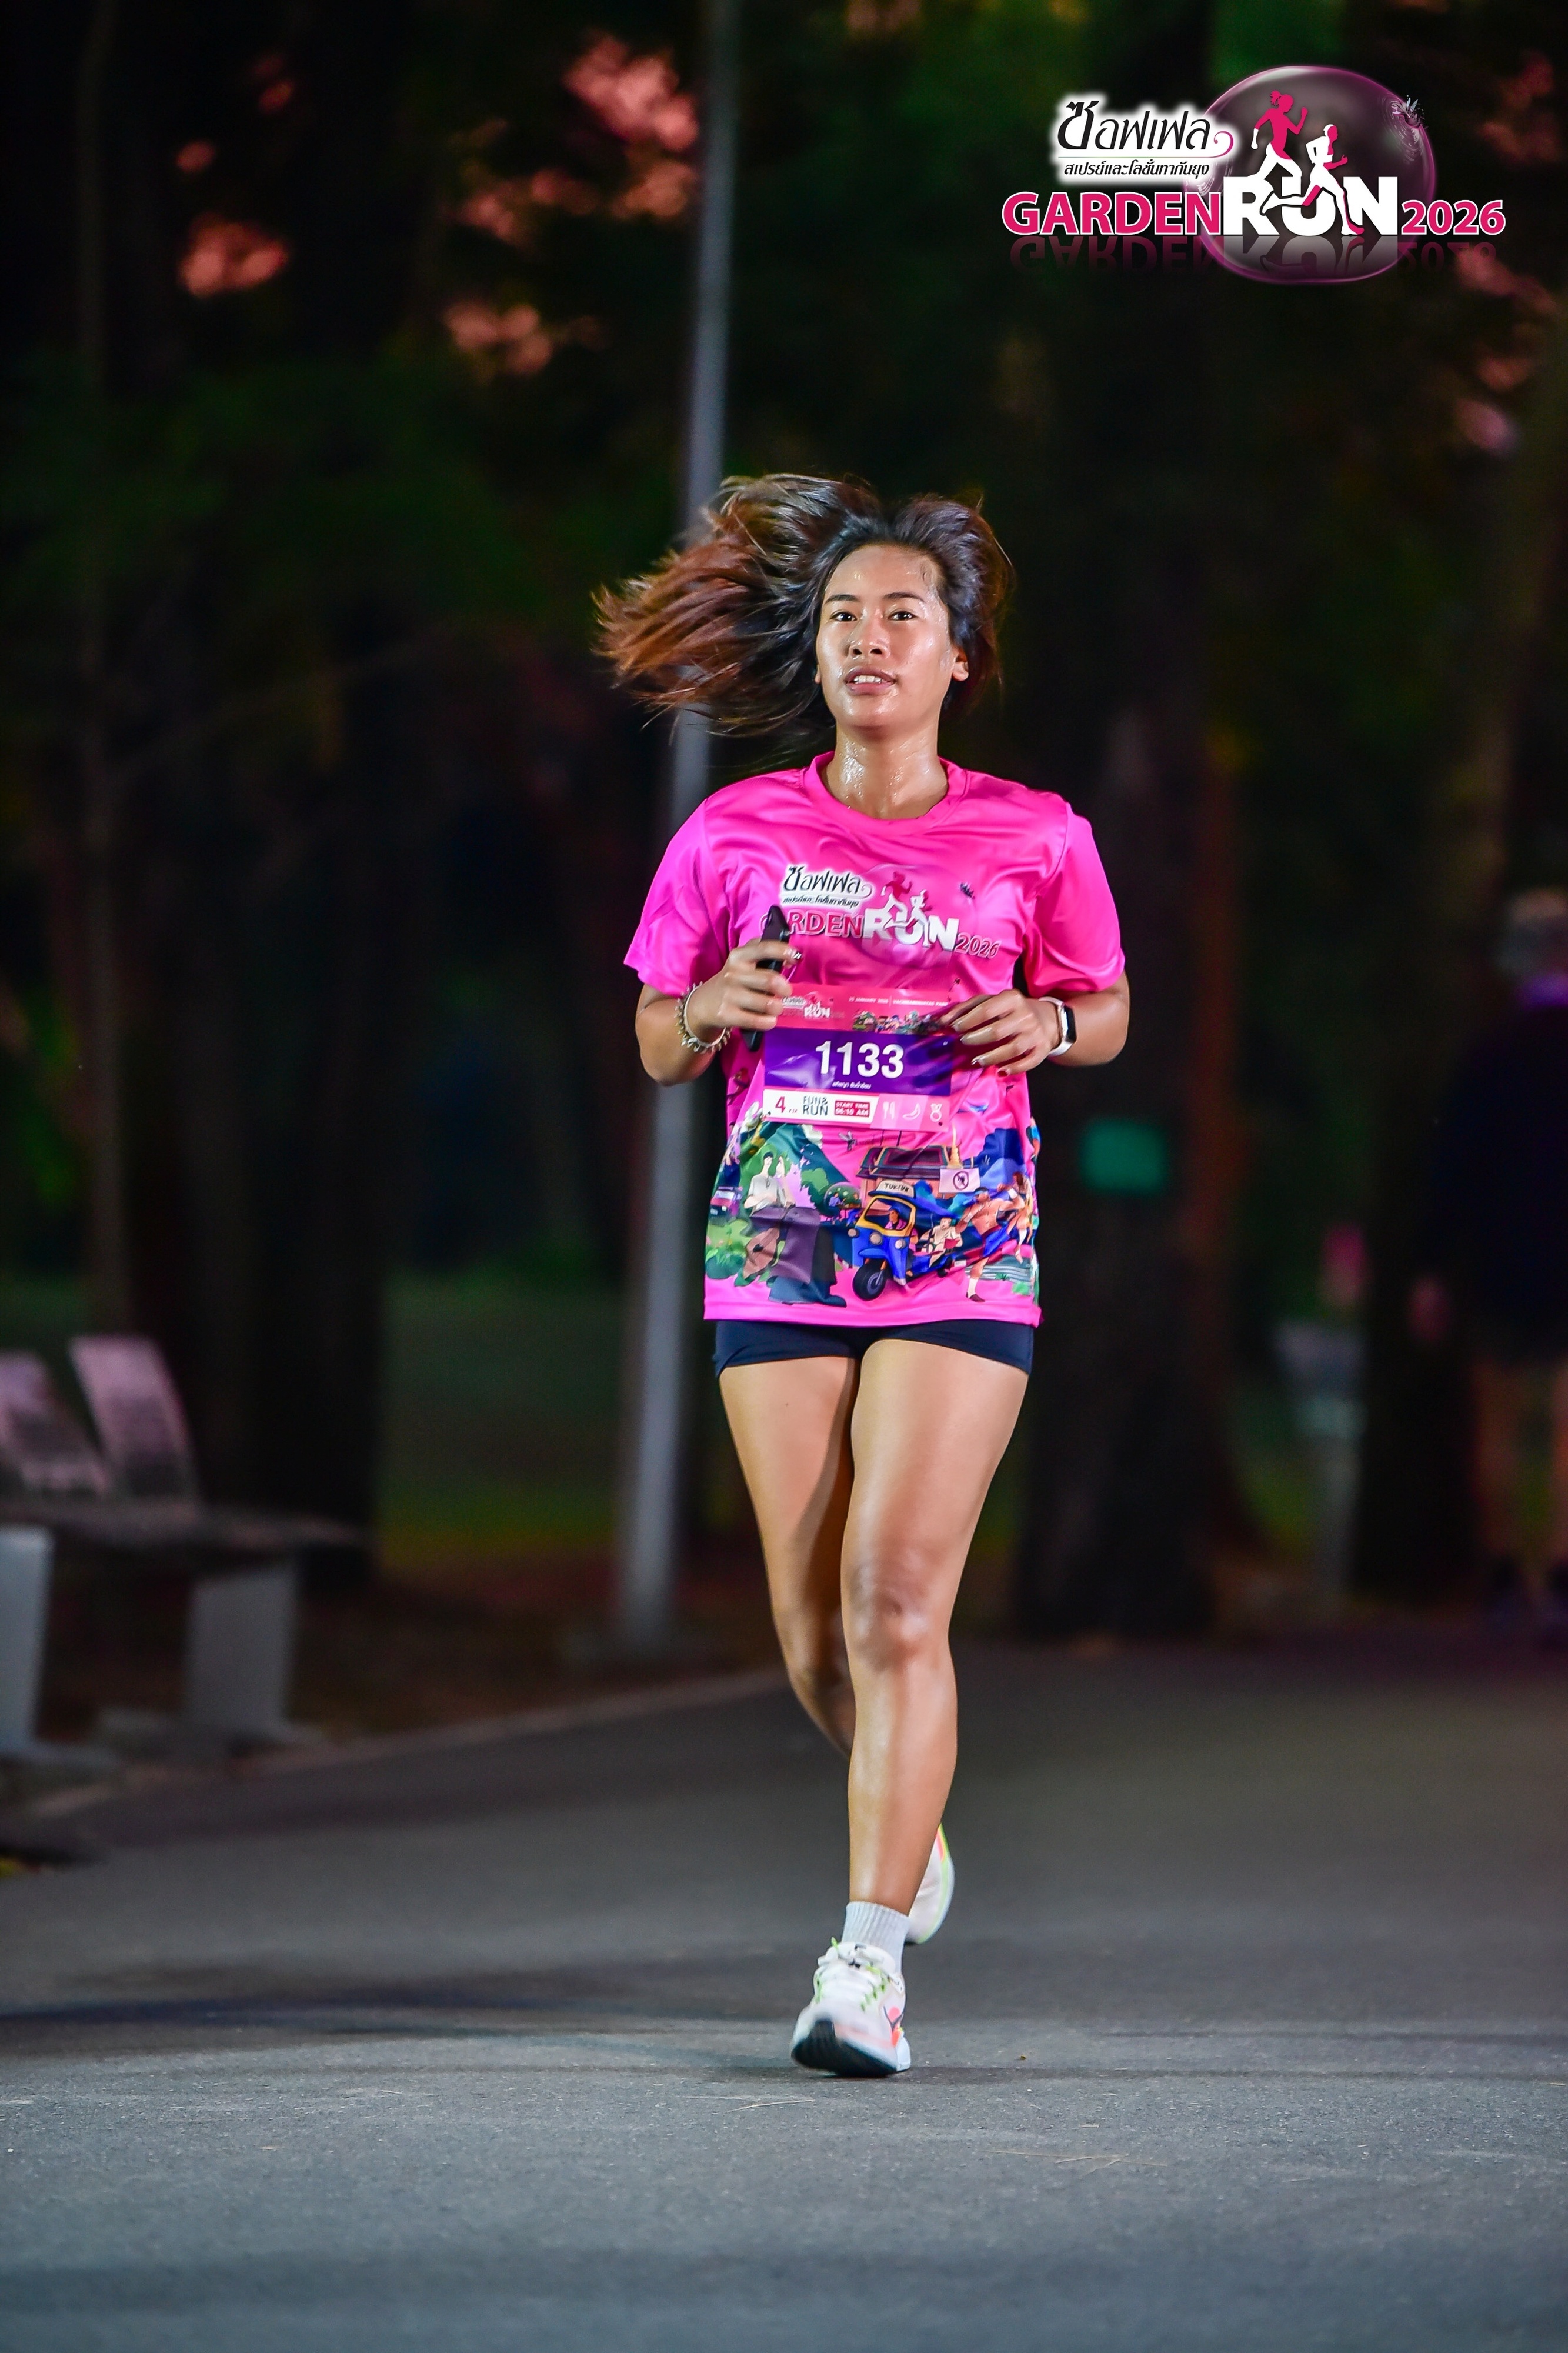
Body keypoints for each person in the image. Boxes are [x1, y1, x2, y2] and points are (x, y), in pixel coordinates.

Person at [606, 475, 1129, 2074]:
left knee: (897, 1598)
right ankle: (911, 1814)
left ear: (958, 653)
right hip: (780, 1235)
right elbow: (655, 1037)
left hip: (961, 1237)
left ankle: (866, 1967)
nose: (868, 639)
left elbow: (1103, 1008)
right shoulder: (732, 831)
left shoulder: (1036, 834)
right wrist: (710, 1007)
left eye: (902, 614)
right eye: (843, 615)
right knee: (810, 1630)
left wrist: (1048, 1023)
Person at [1410, 889, 1568, 1639]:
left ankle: (1505, 1570)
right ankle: (1561, 1569)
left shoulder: (1490, 1053)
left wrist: (1432, 1265)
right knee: (1565, 1423)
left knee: (1498, 1417)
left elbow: (1453, 1164)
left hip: (1501, 1253)